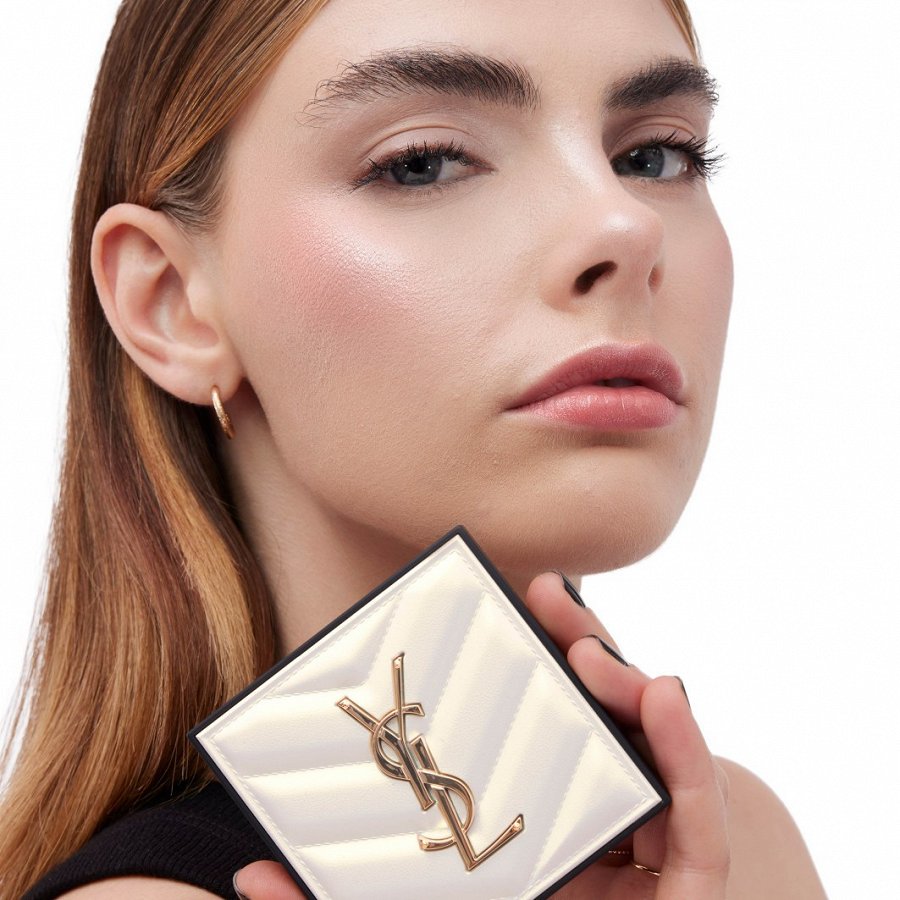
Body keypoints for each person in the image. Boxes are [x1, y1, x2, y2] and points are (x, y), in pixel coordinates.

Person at [0, 0, 827, 897]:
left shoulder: (737, 855)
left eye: (655, 156)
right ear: (171, 303)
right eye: (424, 162)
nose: (625, 226)